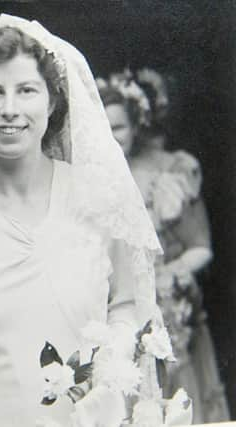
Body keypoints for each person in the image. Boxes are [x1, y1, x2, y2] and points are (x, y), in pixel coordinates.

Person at [0, 14, 166, 427]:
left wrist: (109, 367)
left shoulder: (97, 195)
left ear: (53, 101)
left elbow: (129, 304)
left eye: (26, 90)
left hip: (87, 418)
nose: (10, 110)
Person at [98, 71, 231, 423]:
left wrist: (162, 279)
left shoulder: (166, 174)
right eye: (103, 127)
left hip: (166, 309)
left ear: (136, 127)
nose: (111, 138)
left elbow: (201, 247)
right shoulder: (80, 183)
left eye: (119, 128)